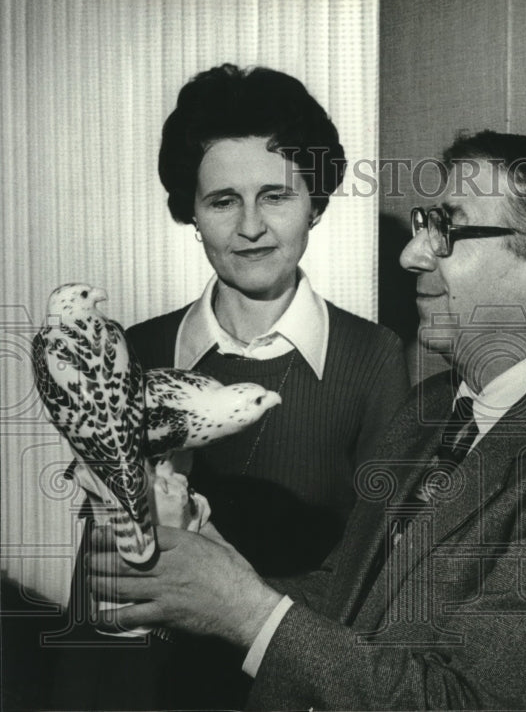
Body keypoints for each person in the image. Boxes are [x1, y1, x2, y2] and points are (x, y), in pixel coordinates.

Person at [88, 131, 526, 709]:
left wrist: (246, 612)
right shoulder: (435, 406)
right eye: (423, 225)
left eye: (448, 230)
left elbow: (470, 703)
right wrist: (212, 564)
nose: (413, 255)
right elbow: (351, 600)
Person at [54, 63, 410, 710]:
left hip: (301, 689)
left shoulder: (374, 358)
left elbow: (377, 579)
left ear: (315, 204)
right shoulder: (138, 350)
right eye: (222, 201)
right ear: (190, 212)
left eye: (276, 196)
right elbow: (100, 576)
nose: (250, 227)